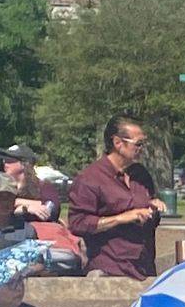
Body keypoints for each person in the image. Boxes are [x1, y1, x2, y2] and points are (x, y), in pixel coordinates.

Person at [67, 114, 169, 280]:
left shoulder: (141, 175)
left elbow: (149, 221)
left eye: (143, 144)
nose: (142, 149)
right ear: (117, 143)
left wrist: (152, 208)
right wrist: (121, 218)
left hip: (143, 267)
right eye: (138, 144)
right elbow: (78, 223)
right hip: (109, 267)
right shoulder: (91, 178)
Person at [0, 144, 62, 223]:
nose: (5, 163)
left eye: (9, 160)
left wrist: (16, 206)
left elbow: (50, 209)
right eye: (4, 160)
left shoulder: (43, 186)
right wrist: (25, 207)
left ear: (24, 164)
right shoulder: (1, 187)